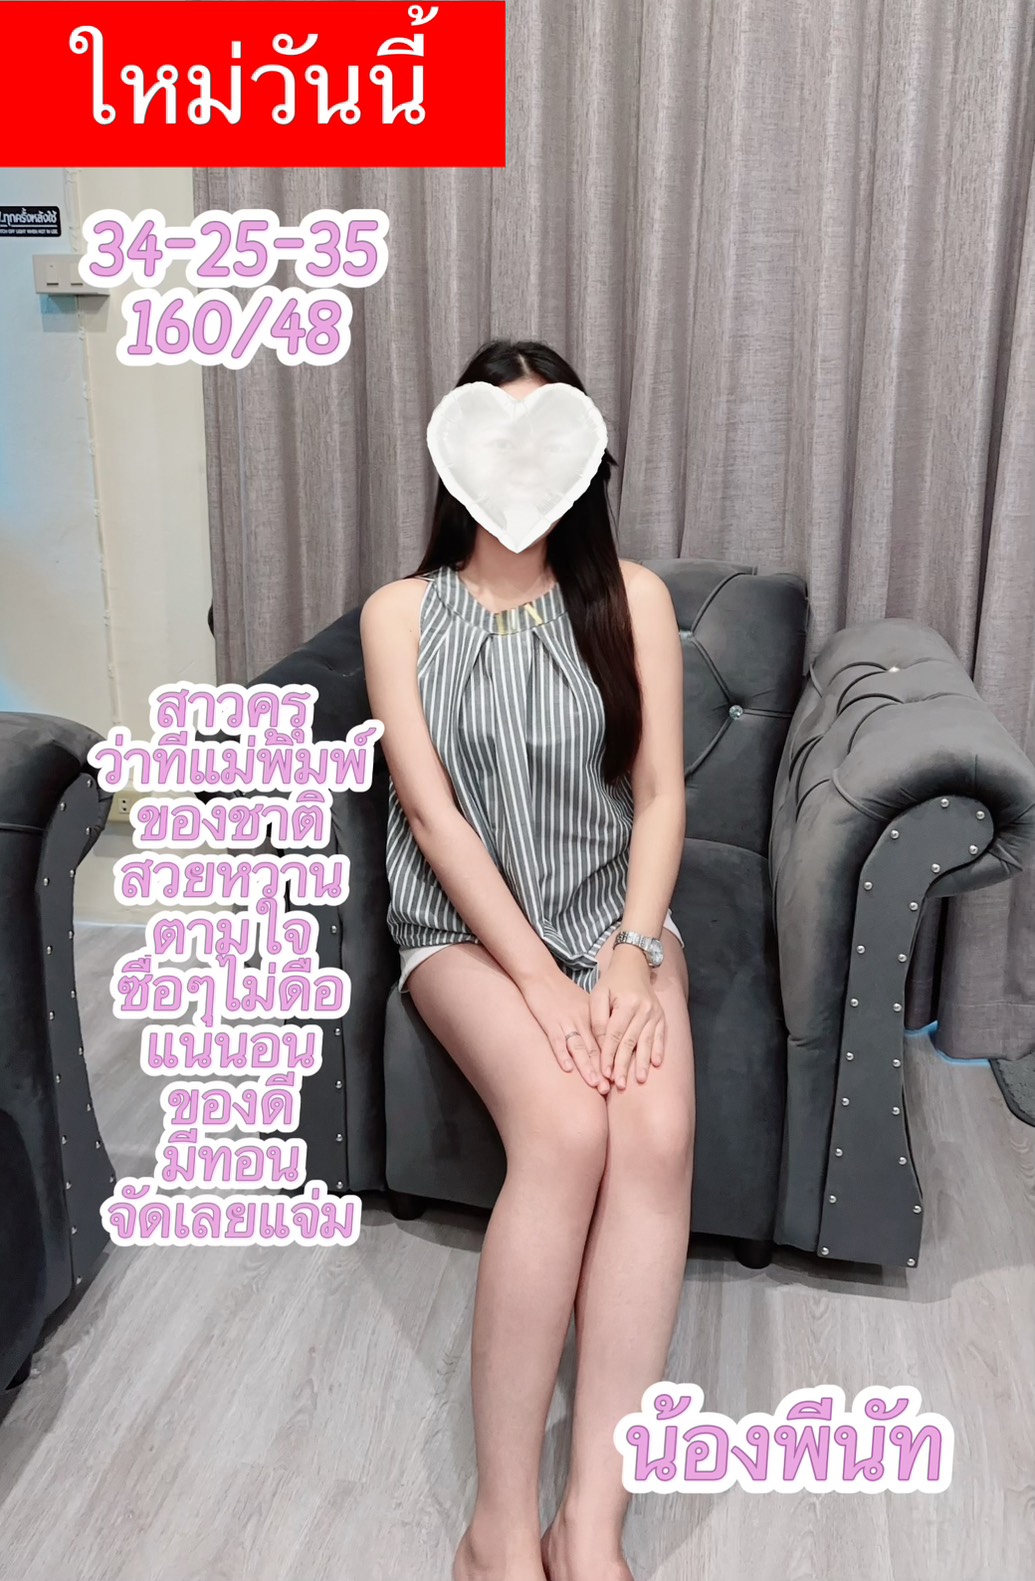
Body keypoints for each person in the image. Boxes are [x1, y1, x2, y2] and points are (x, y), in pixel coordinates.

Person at [360, 339, 696, 1581]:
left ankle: (589, 1522)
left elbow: (660, 796)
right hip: (464, 931)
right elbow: (431, 816)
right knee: (562, 1128)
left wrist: (629, 955)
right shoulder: (400, 614)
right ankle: (499, 1528)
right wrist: (543, 984)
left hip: (613, 918)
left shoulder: (632, 600)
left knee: (653, 1133)